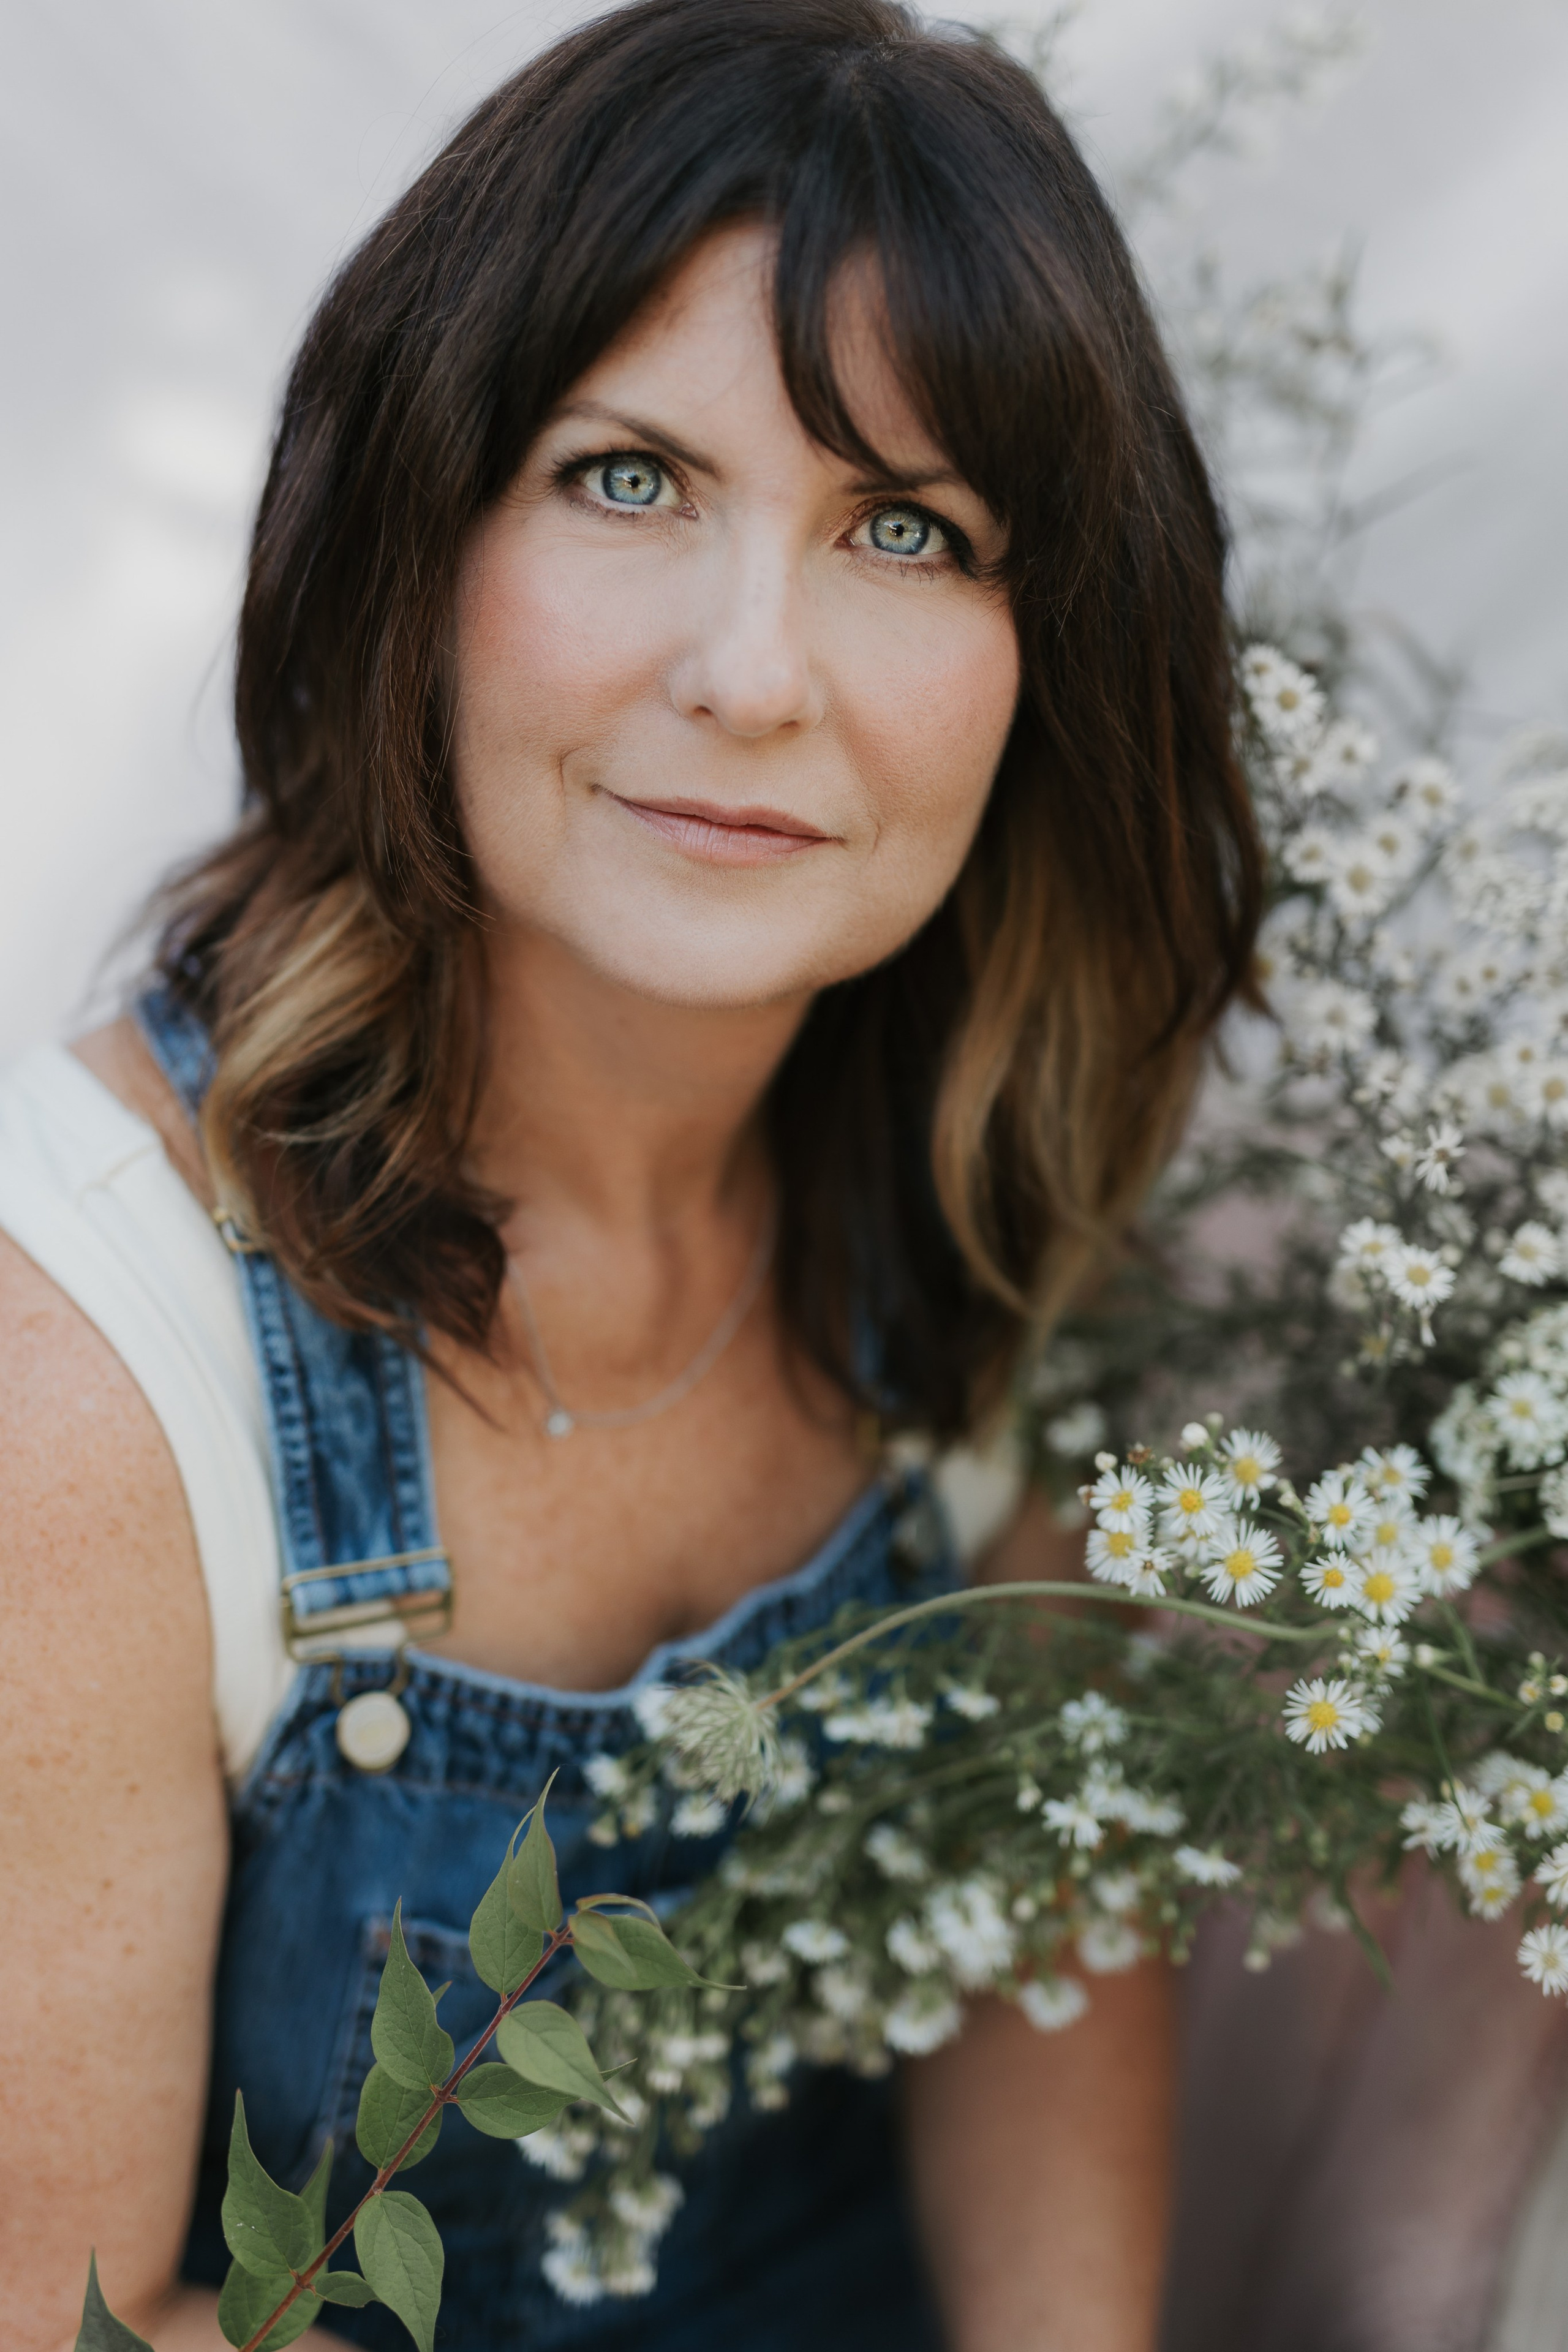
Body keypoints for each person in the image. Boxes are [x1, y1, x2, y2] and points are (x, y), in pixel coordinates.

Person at [0, 1, 1261, 2345]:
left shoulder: (991, 1180)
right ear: (418, 532)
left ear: (1043, 647)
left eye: (908, 525)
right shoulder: (81, 1392)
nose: (755, 672)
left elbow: (1036, 1958)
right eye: (626, 478)